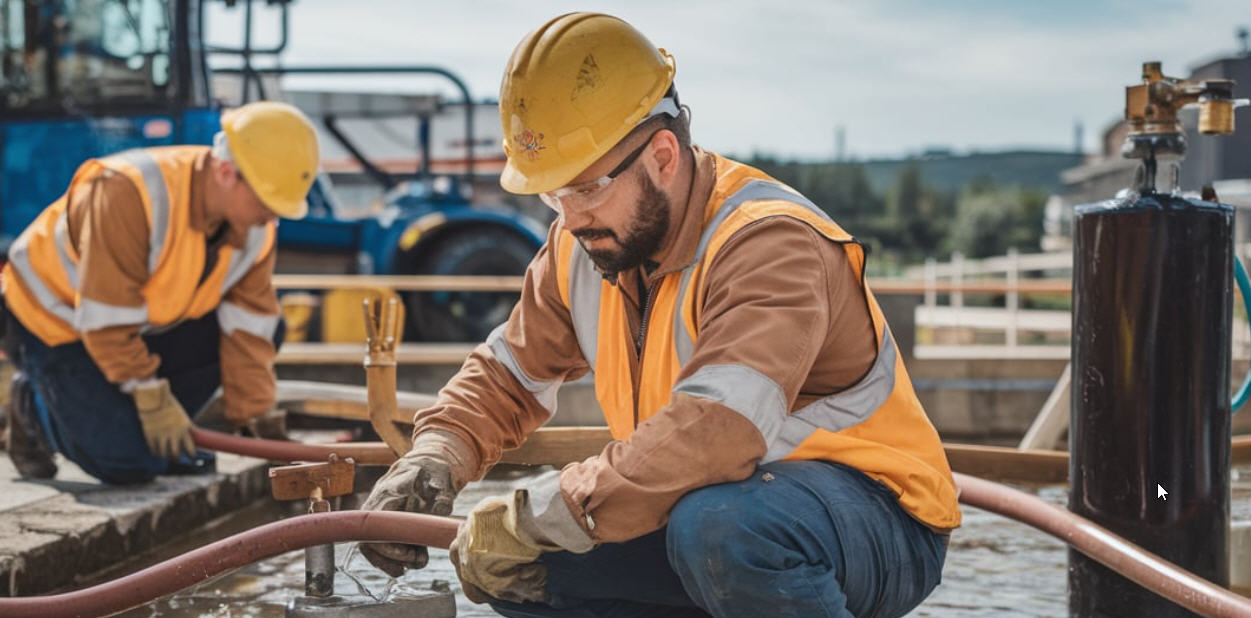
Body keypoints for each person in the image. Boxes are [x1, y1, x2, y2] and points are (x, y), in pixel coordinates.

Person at [360, 12, 960, 618]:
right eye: (553, 194)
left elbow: (715, 432)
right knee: (517, 567)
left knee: (723, 529)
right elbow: (508, 376)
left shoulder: (770, 243)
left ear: (664, 156)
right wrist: (436, 454)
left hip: (871, 516)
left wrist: (543, 513)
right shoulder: (586, 244)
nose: (569, 217)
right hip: (709, 504)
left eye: (587, 187)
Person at [1, 101, 318, 484]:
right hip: (47, 320)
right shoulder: (128, 192)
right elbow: (106, 322)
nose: (272, 217)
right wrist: (151, 398)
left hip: (127, 327)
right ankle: (31, 406)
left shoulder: (254, 228)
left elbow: (250, 328)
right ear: (225, 172)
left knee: (271, 330)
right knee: (126, 464)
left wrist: (254, 417)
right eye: (266, 203)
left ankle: (134, 430)